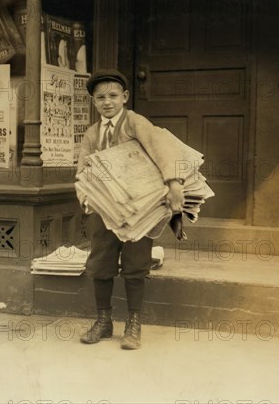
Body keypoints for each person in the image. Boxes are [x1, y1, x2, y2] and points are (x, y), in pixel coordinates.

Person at [76, 69, 186, 350]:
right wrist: (85, 196)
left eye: (113, 95)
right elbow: (83, 170)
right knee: (101, 262)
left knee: (136, 264)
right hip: (105, 210)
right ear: (94, 102)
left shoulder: (136, 123)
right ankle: (103, 321)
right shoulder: (91, 134)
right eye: (100, 97)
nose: (107, 102)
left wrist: (173, 183)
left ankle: (133, 323)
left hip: (140, 209)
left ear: (124, 97)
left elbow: (162, 149)